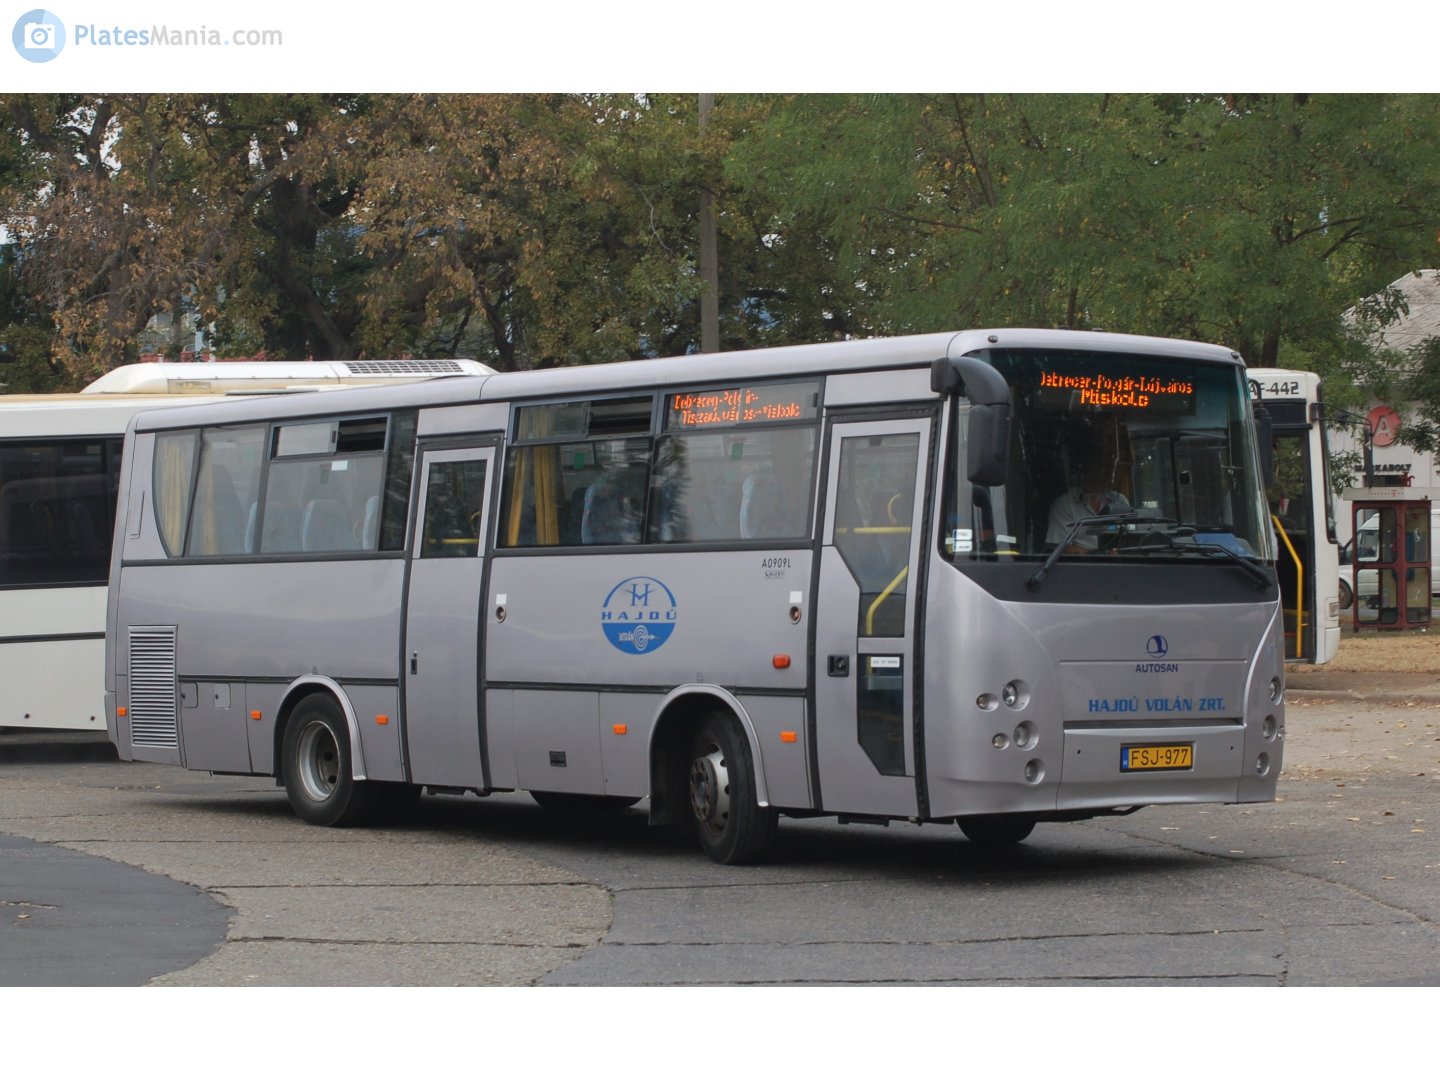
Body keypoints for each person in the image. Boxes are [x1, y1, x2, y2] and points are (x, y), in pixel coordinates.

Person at [1046, 452, 1131, 553]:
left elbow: (1130, 536)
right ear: (1082, 474)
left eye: (1105, 471)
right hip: (1081, 562)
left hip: (1121, 560)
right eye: (1094, 470)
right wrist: (1101, 554)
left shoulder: (1119, 501)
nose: (1100, 476)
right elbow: (1060, 549)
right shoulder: (1064, 505)